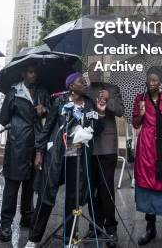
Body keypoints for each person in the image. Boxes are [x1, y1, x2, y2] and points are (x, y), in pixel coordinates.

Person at [26, 72, 107, 248]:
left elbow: (96, 130)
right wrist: (39, 152)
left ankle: (69, 238)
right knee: (46, 196)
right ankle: (33, 238)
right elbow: (47, 128)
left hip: (78, 157)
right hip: (57, 155)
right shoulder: (59, 101)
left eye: (85, 81)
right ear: (71, 86)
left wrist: (100, 113)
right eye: (81, 82)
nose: (86, 84)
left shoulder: (90, 104)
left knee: (74, 197)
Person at [0, 64, 50, 243]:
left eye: (35, 71)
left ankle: (27, 216)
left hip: (36, 143)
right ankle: (6, 224)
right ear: (23, 73)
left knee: (30, 183)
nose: (33, 74)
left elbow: (50, 117)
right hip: (17, 143)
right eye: (30, 71)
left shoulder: (43, 92)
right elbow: (2, 118)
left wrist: (44, 111)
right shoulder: (14, 92)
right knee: (12, 186)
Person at [132, 67, 162, 248]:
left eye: (155, 80)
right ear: (146, 81)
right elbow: (135, 123)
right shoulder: (140, 99)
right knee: (147, 188)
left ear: (160, 82)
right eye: (149, 80)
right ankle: (150, 228)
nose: (152, 83)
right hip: (145, 149)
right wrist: (141, 114)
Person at [86, 62, 125, 246]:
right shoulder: (84, 91)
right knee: (91, 189)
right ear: (88, 73)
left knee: (106, 189)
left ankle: (111, 229)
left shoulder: (112, 89)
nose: (95, 74)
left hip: (107, 147)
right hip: (88, 146)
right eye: (92, 71)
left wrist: (108, 100)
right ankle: (94, 225)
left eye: (98, 71)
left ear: (102, 73)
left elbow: (120, 111)